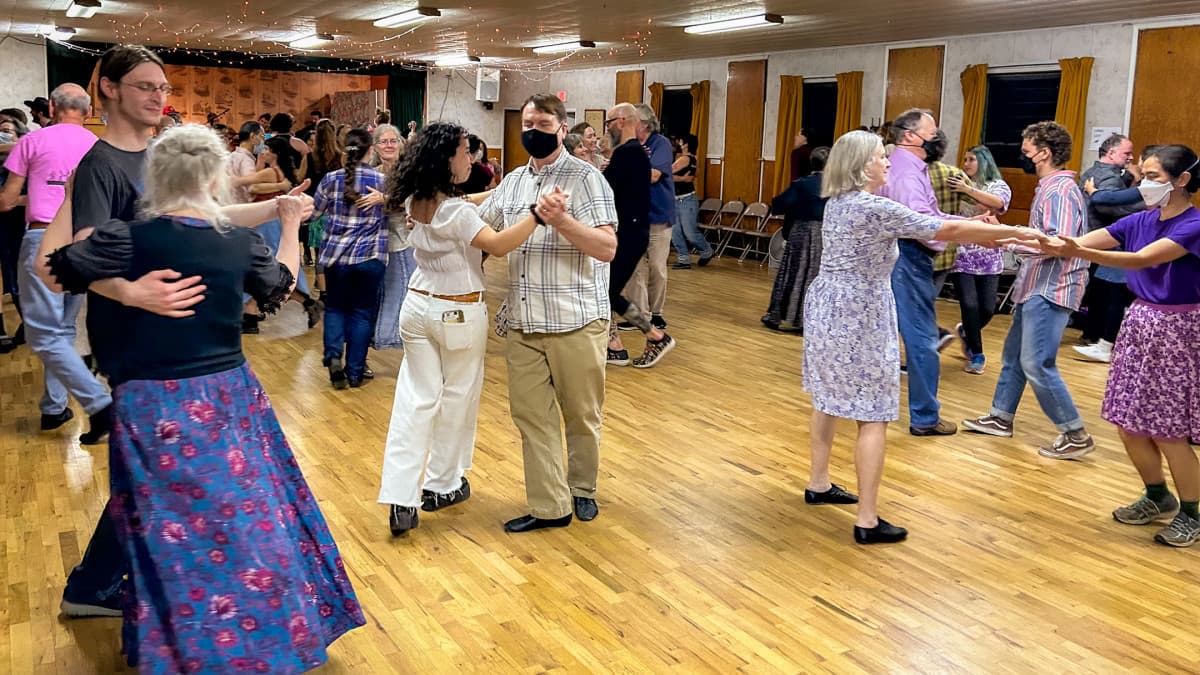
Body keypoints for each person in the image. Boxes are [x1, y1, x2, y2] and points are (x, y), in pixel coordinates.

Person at [37, 124, 364, 672]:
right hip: (226, 396)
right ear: (215, 177)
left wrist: (72, 198)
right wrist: (286, 223)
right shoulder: (231, 243)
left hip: (150, 404)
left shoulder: (126, 237)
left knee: (165, 526)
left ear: (154, 177)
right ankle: (258, 634)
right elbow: (280, 288)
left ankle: (183, 643)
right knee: (249, 516)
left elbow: (54, 266)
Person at [47, 45, 315, 621]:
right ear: (110, 89)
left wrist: (275, 212)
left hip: (176, 349)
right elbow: (71, 258)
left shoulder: (153, 156)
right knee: (158, 480)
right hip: (140, 347)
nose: (157, 97)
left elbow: (196, 220)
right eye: (145, 86)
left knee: (148, 478)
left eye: (162, 88)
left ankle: (96, 585)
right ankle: (180, 601)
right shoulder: (102, 164)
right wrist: (130, 291)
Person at [802, 130, 1043, 544]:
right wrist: (1015, 233)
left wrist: (979, 225)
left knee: (828, 398)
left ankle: (819, 483)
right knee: (873, 414)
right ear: (863, 167)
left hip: (828, 306)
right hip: (859, 312)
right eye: (882, 157)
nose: (888, 163)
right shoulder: (872, 206)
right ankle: (867, 519)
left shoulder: (839, 204)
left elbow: (936, 225)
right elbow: (939, 229)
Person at [378, 123, 540, 535]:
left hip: (417, 308)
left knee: (415, 401)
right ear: (445, 158)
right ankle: (442, 484)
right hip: (457, 312)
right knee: (457, 398)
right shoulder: (457, 212)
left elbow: (467, 204)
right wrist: (538, 215)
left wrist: (502, 194)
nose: (473, 159)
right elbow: (499, 244)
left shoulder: (417, 199)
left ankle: (401, 497)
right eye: (467, 151)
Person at [1040, 144, 1200, 546]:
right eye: (1142, 174)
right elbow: (1077, 240)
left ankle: (1194, 512)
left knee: (1168, 431)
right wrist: (1034, 241)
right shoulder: (1141, 219)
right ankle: (1157, 496)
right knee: (1129, 425)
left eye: (1154, 177)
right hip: (1140, 323)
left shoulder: (1193, 224)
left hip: (1178, 329)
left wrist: (1077, 250)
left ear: (1182, 180)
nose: (1144, 183)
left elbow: (1141, 260)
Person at [477, 93, 618, 532]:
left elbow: (607, 248)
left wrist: (561, 222)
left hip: (576, 320)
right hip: (522, 321)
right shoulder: (515, 180)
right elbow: (482, 225)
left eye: (542, 124)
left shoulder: (586, 178)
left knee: (580, 415)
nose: (532, 131)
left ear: (562, 129)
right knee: (532, 417)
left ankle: (582, 488)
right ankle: (550, 505)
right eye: (528, 124)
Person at [963, 121, 1096, 459]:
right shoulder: (1049, 187)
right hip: (1035, 283)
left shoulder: (1061, 191)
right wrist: (1010, 232)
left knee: (1037, 363)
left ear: (1044, 153)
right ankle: (1000, 416)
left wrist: (1008, 240)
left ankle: (1075, 433)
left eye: (1025, 151)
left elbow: (1058, 244)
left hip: (1052, 287)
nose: (1022, 156)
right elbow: (1042, 234)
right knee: (1013, 357)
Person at [2, 83, 110, 441]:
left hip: (43, 236)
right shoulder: (100, 146)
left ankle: (99, 404)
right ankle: (53, 407)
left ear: (51, 106)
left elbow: (6, 201)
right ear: (88, 111)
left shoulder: (31, 142)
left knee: (44, 332)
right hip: (86, 242)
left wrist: (38, 194)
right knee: (62, 329)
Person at [880, 109, 959, 436]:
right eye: (933, 129)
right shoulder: (906, 173)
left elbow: (933, 214)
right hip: (909, 257)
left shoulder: (910, 167)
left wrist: (971, 225)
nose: (938, 135)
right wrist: (973, 232)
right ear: (911, 135)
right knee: (923, 339)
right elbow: (923, 226)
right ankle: (925, 417)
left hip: (905, 256)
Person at [313, 128, 387, 388]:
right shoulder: (382, 182)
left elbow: (313, 213)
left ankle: (333, 355)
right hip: (370, 257)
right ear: (371, 150)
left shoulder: (332, 179)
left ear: (345, 149)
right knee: (362, 314)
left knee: (335, 308)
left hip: (336, 257)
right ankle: (355, 372)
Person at [603, 102, 675, 368]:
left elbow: (608, 190)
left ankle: (652, 336)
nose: (607, 128)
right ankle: (642, 338)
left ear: (621, 121)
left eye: (609, 122)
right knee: (608, 291)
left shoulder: (629, 154)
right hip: (631, 232)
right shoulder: (630, 153)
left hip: (630, 234)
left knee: (607, 291)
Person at [1074, 134, 1143, 363]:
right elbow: (1109, 208)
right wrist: (1141, 215)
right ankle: (1097, 339)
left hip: (1089, 238)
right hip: (1104, 242)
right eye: (1127, 153)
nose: (1130, 158)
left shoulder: (1091, 172)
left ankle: (1092, 337)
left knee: (1098, 293)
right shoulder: (1110, 178)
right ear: (1111, 153)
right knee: (1105, 295)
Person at [947, 144, 1013, 373]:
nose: (966, 164)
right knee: (970, 304)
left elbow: (997, 203)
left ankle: (967, 331)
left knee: (987, 308)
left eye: (971, 159)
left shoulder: (997, 185)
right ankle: (977, 354)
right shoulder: (958, 186)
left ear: (984, 162)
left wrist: (968, 189)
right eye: (964, 159)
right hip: (962, 253)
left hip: (988, 254)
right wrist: (963, 189)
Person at [762, 146, 830, 332]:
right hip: (830, 233)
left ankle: (790, 318)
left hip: (804, 231)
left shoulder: (802, 184)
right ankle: (817, 318)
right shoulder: (839, 185)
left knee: (796, 273)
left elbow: (779, 204)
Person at [622, 103, 674, 333]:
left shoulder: (660, 143)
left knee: (656, 267)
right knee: (632, 268)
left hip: (658, 216)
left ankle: (656, 313)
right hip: (633, 217)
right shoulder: (629, 144)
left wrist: (625, 172)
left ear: (642, 124)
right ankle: (639, 315)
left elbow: (653, 175)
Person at [669, 133, 713, 269]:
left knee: (690, 232)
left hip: (687, 200)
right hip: (676, 199)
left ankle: (707, 251)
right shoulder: (694, 158)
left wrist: (680, 179)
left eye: (680, 141)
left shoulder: (685, 159)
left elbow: (665, 174)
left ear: (686, 144)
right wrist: (682, 178)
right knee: (675, 231)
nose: (678, 143)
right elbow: (695, 175)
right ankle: (683, 260)